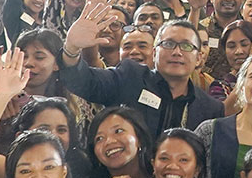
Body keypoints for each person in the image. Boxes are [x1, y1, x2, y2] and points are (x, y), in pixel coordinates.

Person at [59, 8, 225, 133]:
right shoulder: (130, 77)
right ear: (154, 53)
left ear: (199, 58)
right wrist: (71, 49)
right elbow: (84, 81)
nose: (177, 52)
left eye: (186, 46)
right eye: (168, 44)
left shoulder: (210, 108)